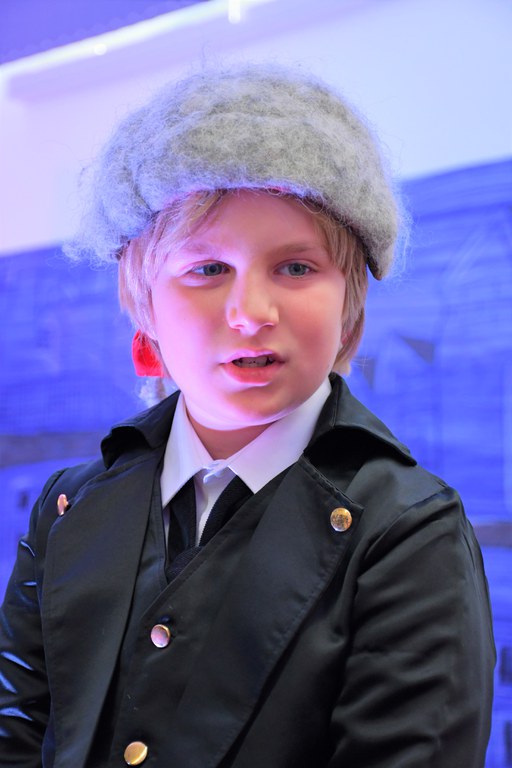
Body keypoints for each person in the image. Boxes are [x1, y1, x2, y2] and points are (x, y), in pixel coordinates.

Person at [0, 62, 495, 768]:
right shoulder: (70, 506)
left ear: (349, 302)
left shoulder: (408, 532)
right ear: (145, 302)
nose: (251, 313)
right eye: (207, 269)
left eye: (295, 268)